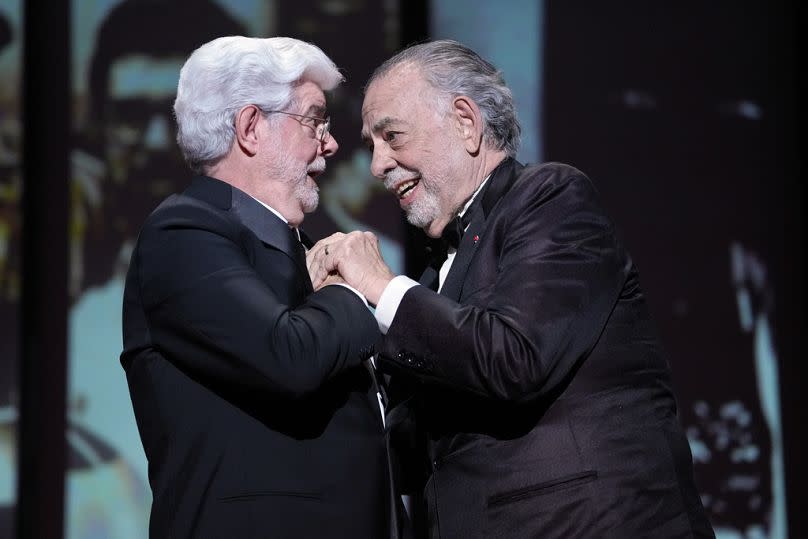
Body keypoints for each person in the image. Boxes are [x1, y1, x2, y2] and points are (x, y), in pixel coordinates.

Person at [308, 39, 715, 537]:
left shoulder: (553, 198)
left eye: (392, 136)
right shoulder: (438, 277)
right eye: (373, 147)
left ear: (466, 121)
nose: (378, 165)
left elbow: (516, 357)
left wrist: (378, 282)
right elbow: (414, 445)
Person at [121, 36, 391, 538]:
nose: (329, 143)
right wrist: (358, 287)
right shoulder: (183, 231)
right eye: (314, 120)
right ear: (250, 128)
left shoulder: (304, 249)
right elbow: (288, 356)